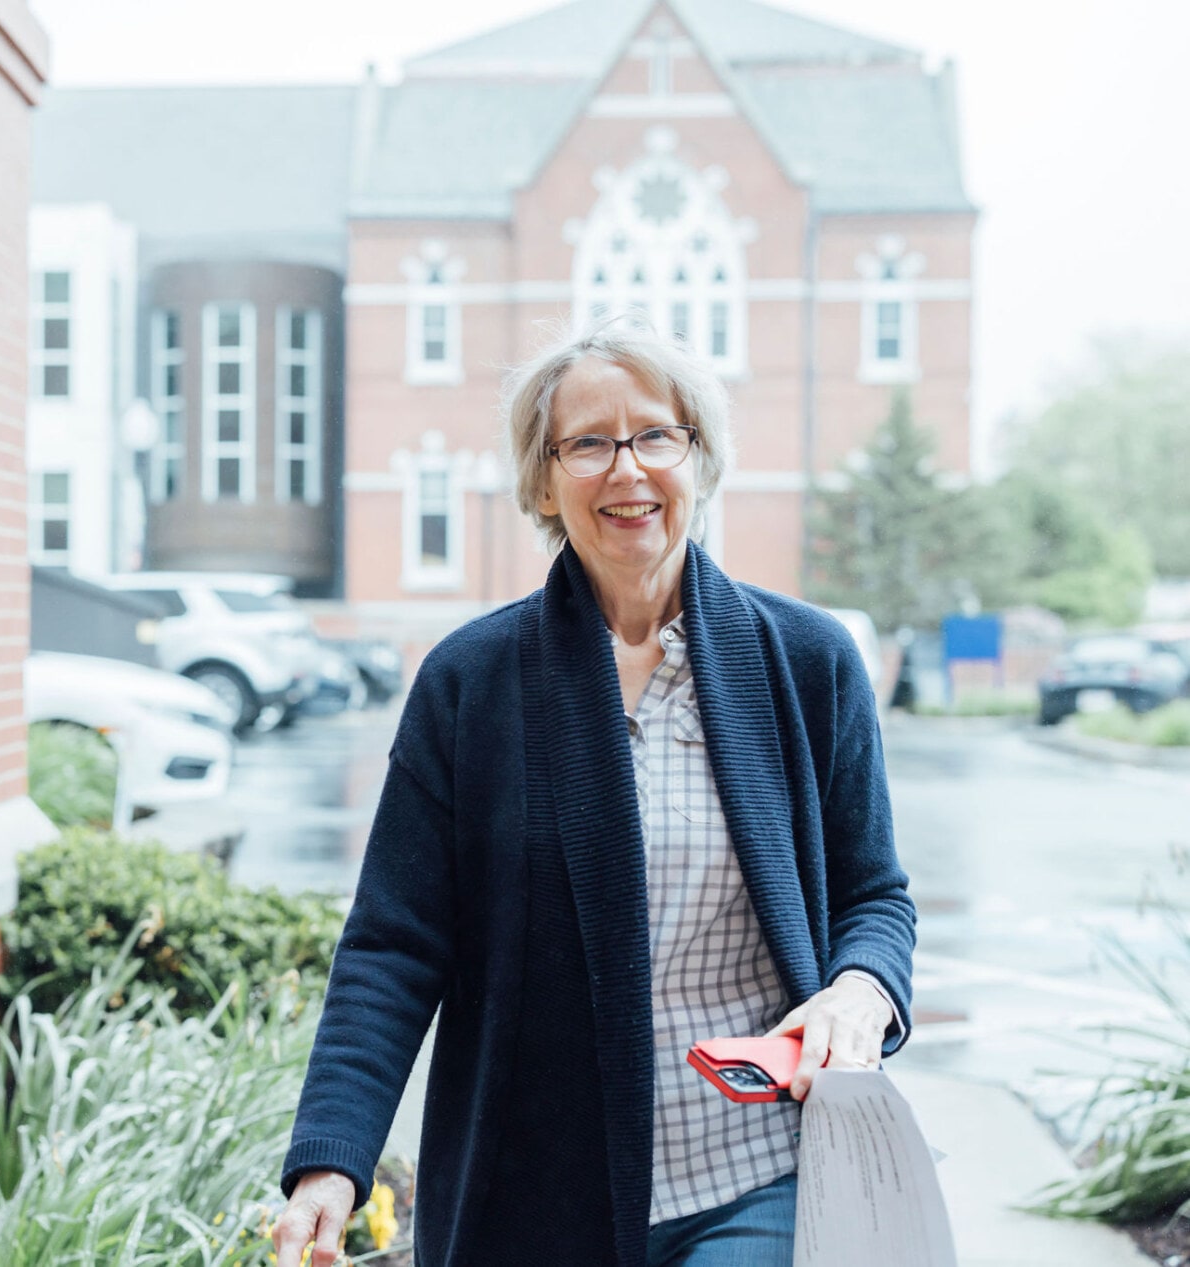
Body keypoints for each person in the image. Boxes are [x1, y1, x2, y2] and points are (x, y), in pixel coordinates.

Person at [271, 316, 916, 1267]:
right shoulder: (470, 683)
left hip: (758, 1168)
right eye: (588, 443)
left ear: (699, 458)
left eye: (657, 435)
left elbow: (874, 895)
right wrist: (330, 1162)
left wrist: (861, 991)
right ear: (542, 478)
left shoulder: (808, 662)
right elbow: (392, 945)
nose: (628, 469)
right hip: (534, 1189)